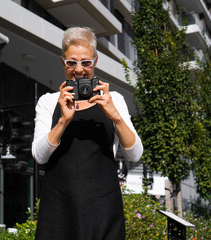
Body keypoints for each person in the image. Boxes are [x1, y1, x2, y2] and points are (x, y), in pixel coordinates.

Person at [31, 27, 143, 240]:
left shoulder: (114, 100)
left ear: (95, 61)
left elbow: (135, 154)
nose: (79, 69)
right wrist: (63, 120)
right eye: (71, 62)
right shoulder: (47, 101)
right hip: (59, 209)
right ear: (63, 62)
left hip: (103, 209)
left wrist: (115, 116)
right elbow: (39, 155)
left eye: (86, 62)